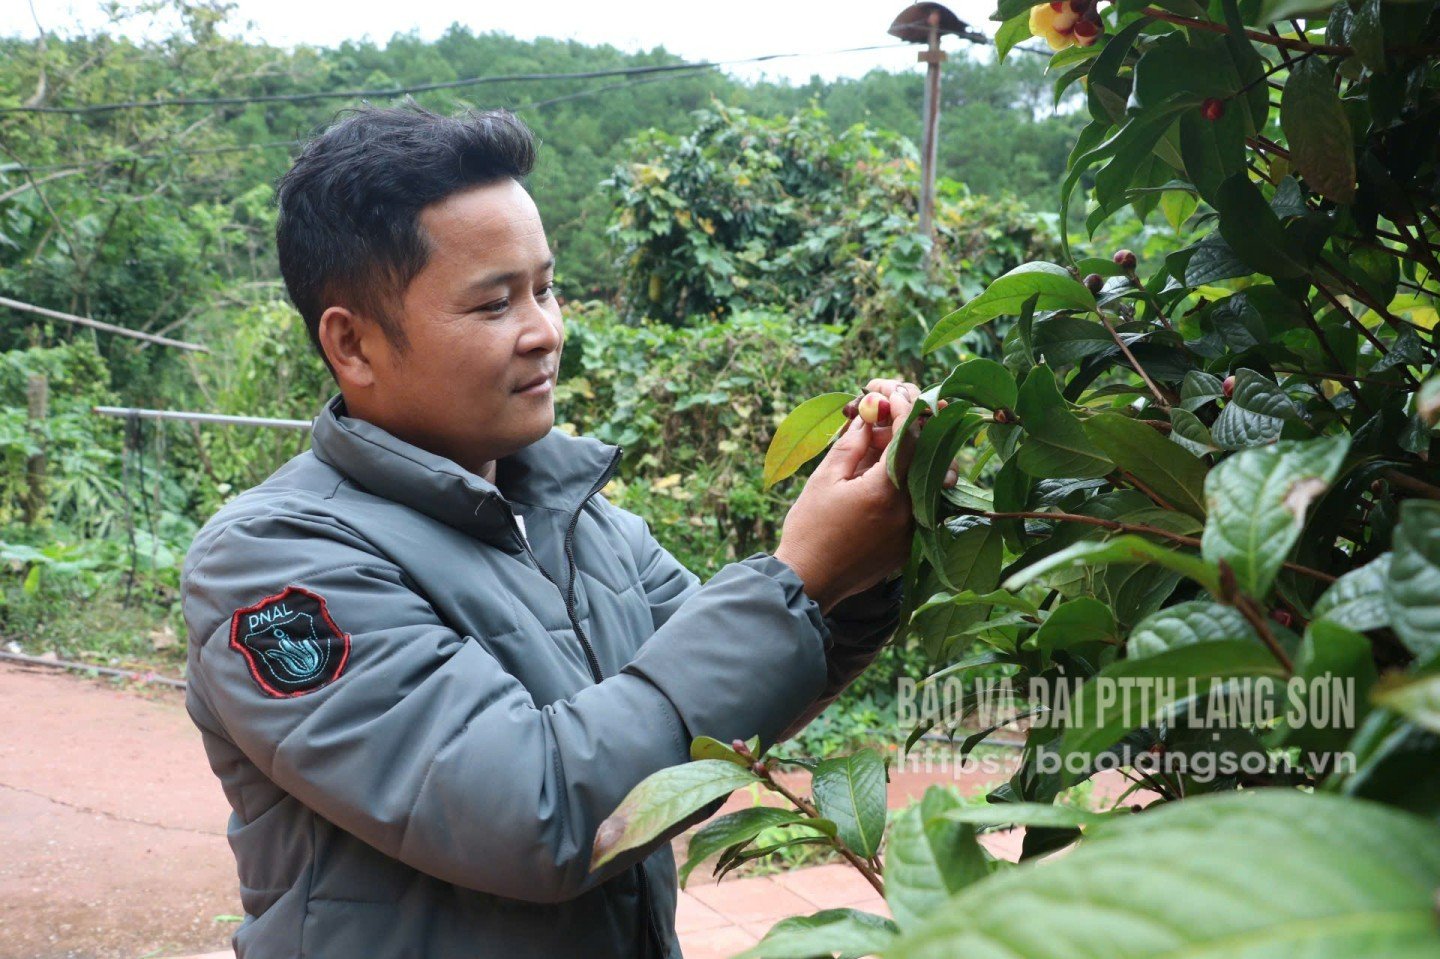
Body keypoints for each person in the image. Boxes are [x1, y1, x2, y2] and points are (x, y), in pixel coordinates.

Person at [180, 104, 942, 959]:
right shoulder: (273, 566)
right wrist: (797, 576)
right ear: (352, 344)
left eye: (545, 287)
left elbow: (727, 702)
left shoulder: (581, 516)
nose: (545, 331)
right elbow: (534, 813)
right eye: (494, 302)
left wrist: (858, 567)